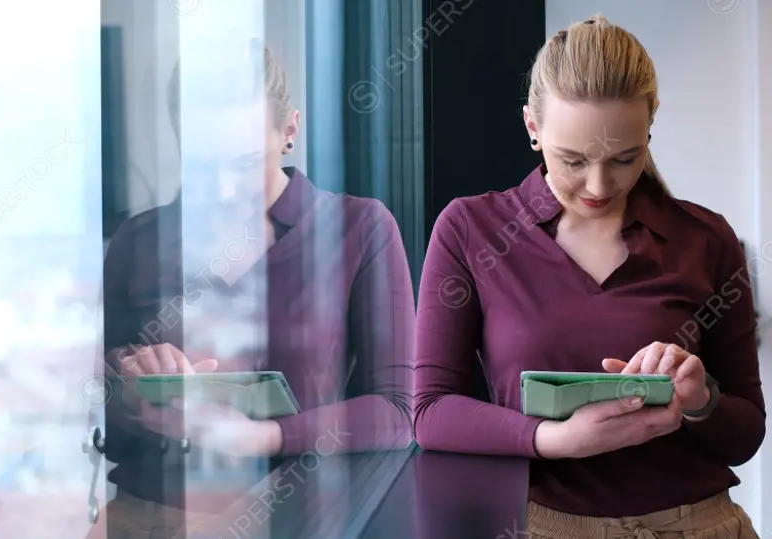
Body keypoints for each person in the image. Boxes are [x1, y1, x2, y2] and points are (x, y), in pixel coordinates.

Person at [414, 15, 762, 539]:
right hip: (538, 527)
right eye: (572, 160)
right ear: (533, 127)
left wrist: (700, 397)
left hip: (702, 524)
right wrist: (554, 440)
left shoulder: (706, 238)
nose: (598, 185)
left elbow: (745, 435)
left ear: (650, 124)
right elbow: (430, 412)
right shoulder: (471, 230)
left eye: (625, 157)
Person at [89, 40, 415, 539]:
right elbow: (97, 408)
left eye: (243, 164)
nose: (220, 190)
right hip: (144, 518)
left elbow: (399, 411)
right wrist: (132, 392)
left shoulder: (360, 229)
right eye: (199, 165)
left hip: (295, 519)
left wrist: (261, 436)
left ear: (290, 131)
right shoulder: (137, 242)